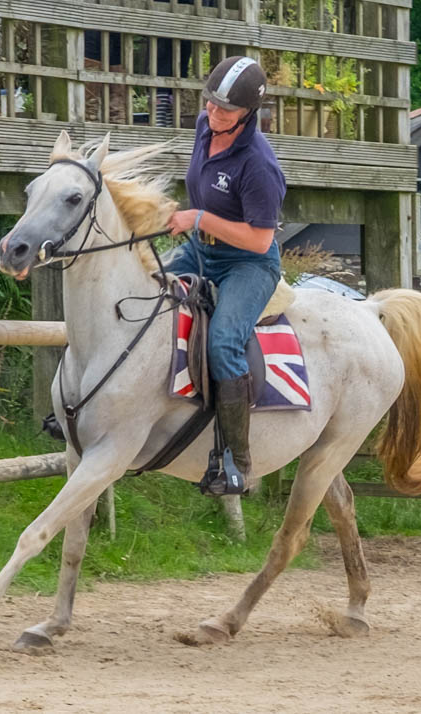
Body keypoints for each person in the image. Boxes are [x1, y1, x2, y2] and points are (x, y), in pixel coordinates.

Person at [163, 56, 286, 490]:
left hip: (248, 264)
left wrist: (197, 218)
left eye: (225, 111)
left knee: (223, 343)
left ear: (248, 114)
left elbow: (260, 241)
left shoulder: (258, 165)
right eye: (210, 104)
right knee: (145, 292)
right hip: (201, 250)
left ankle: (237, 461)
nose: (213, 113)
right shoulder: (204, 126)